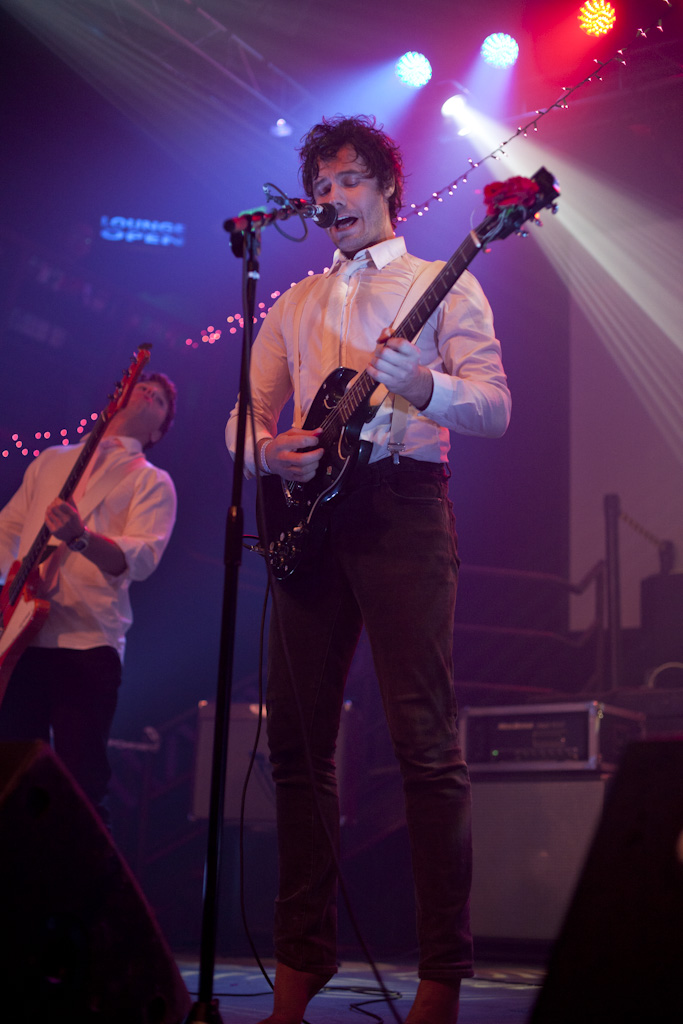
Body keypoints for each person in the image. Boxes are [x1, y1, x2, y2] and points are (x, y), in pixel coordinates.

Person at [225, 115, 511, 1024]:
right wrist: (264, 452)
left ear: (387, 186)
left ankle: (440, 979)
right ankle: (298, 969)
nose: (332, 196)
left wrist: (423, 386)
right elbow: (246, 412)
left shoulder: (439, 282)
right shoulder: (295, 301)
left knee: (423, 742)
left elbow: (495, 407)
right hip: (308, 522)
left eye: (349, 179)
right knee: (295, 748)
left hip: (401, 510)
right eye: (320, 184)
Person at [0, 373, 178, 826]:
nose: (149, 393)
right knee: (12, 780)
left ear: (158, 433)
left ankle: (79, 871)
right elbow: (8, 530)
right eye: (143, 386)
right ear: (117, 396)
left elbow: (142, 558)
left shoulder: (152, 481)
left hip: (87, 642)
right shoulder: (52, 458)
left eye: (160, 400)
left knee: (80, 787)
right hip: (20, 639)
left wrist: (80, 538)